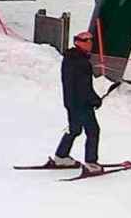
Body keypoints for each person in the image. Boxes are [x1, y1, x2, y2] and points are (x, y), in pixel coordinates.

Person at [50, 30, 103, 174]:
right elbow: (83, 86)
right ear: (78, 42)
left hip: (71, 101)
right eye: (87, 41)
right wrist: (94, 100)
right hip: (82, 103)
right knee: (93, 131)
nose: (91, 43)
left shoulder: (70, 58)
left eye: (91, 40)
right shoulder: (81, 62)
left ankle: (61, 156)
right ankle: (91, 162)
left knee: (75, 129)